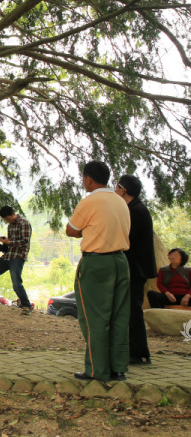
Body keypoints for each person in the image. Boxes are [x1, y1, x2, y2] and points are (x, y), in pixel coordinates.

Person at [65, 160, 131, 382]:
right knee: (119, 315)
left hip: (97, 263)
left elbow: (71, 230)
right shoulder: (121, 201)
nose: (83, 181)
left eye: (83, 178)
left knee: (95, 317)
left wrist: (87, 232)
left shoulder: (90, 201)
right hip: (121, 262)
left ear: (89, 178)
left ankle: (97, 370)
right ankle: (118, 367)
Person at [116, 174, 156, 365]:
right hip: (132, 267)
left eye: (117, 188)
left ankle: (140, 353)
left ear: (123, 190)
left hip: (136, 268)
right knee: (129, 310)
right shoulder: (132, 209)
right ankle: (132, 350)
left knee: (133, 310)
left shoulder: (136, 211)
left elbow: (125, 238)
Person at [0, 206, 34, 314]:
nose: (7, 221)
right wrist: (0, 243)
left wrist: (9, 242)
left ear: (14, 213)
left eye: (8, 219)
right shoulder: (10, 226)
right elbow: (10, 244)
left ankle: (27, 306)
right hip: (8, 256)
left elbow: (25, 242)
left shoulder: (24, 223)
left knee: (16, 283)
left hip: (18, 257)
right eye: (6, 220)